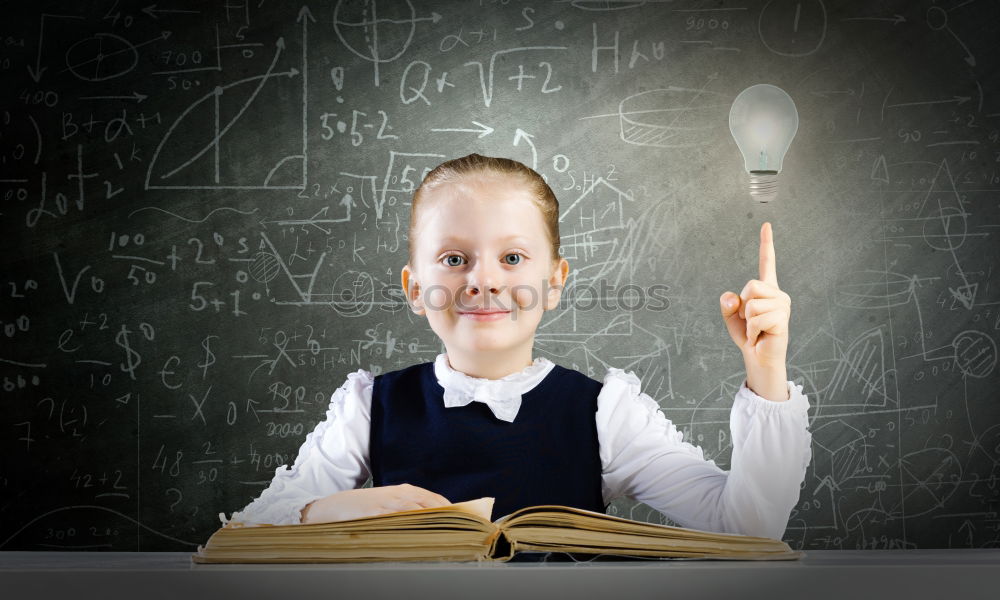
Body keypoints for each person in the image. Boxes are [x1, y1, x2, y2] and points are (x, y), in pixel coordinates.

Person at [221, 153, 812, 544]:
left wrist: (767, 372)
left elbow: (750, 528)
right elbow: (248, 531)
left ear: (554, 282)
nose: (484, 281)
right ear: (413, 288)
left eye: (512, 258)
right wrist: (326, 510)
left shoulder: (606, 412)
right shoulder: (367, 406)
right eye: (454, 260)